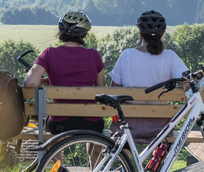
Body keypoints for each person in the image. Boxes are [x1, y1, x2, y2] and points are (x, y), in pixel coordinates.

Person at [110, 10, 189, 142]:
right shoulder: (170, 56)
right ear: (162, 35)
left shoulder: (127, 55)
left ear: (140, 34)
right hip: (161, 127)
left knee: (122, 134)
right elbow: (188, 81)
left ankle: (126, 160)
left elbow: (114, 90)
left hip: (129, 125)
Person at [24, 10, 106, 134]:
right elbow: (101, 88)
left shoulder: (49, 53)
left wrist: (47, 80)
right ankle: (94, 154)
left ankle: (55, 154)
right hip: (91, 122)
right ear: (84, 34)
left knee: (51, 132)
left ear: (60, 32)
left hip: (60, 122)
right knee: (97, 133)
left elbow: (30, 82)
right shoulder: (94, 55)